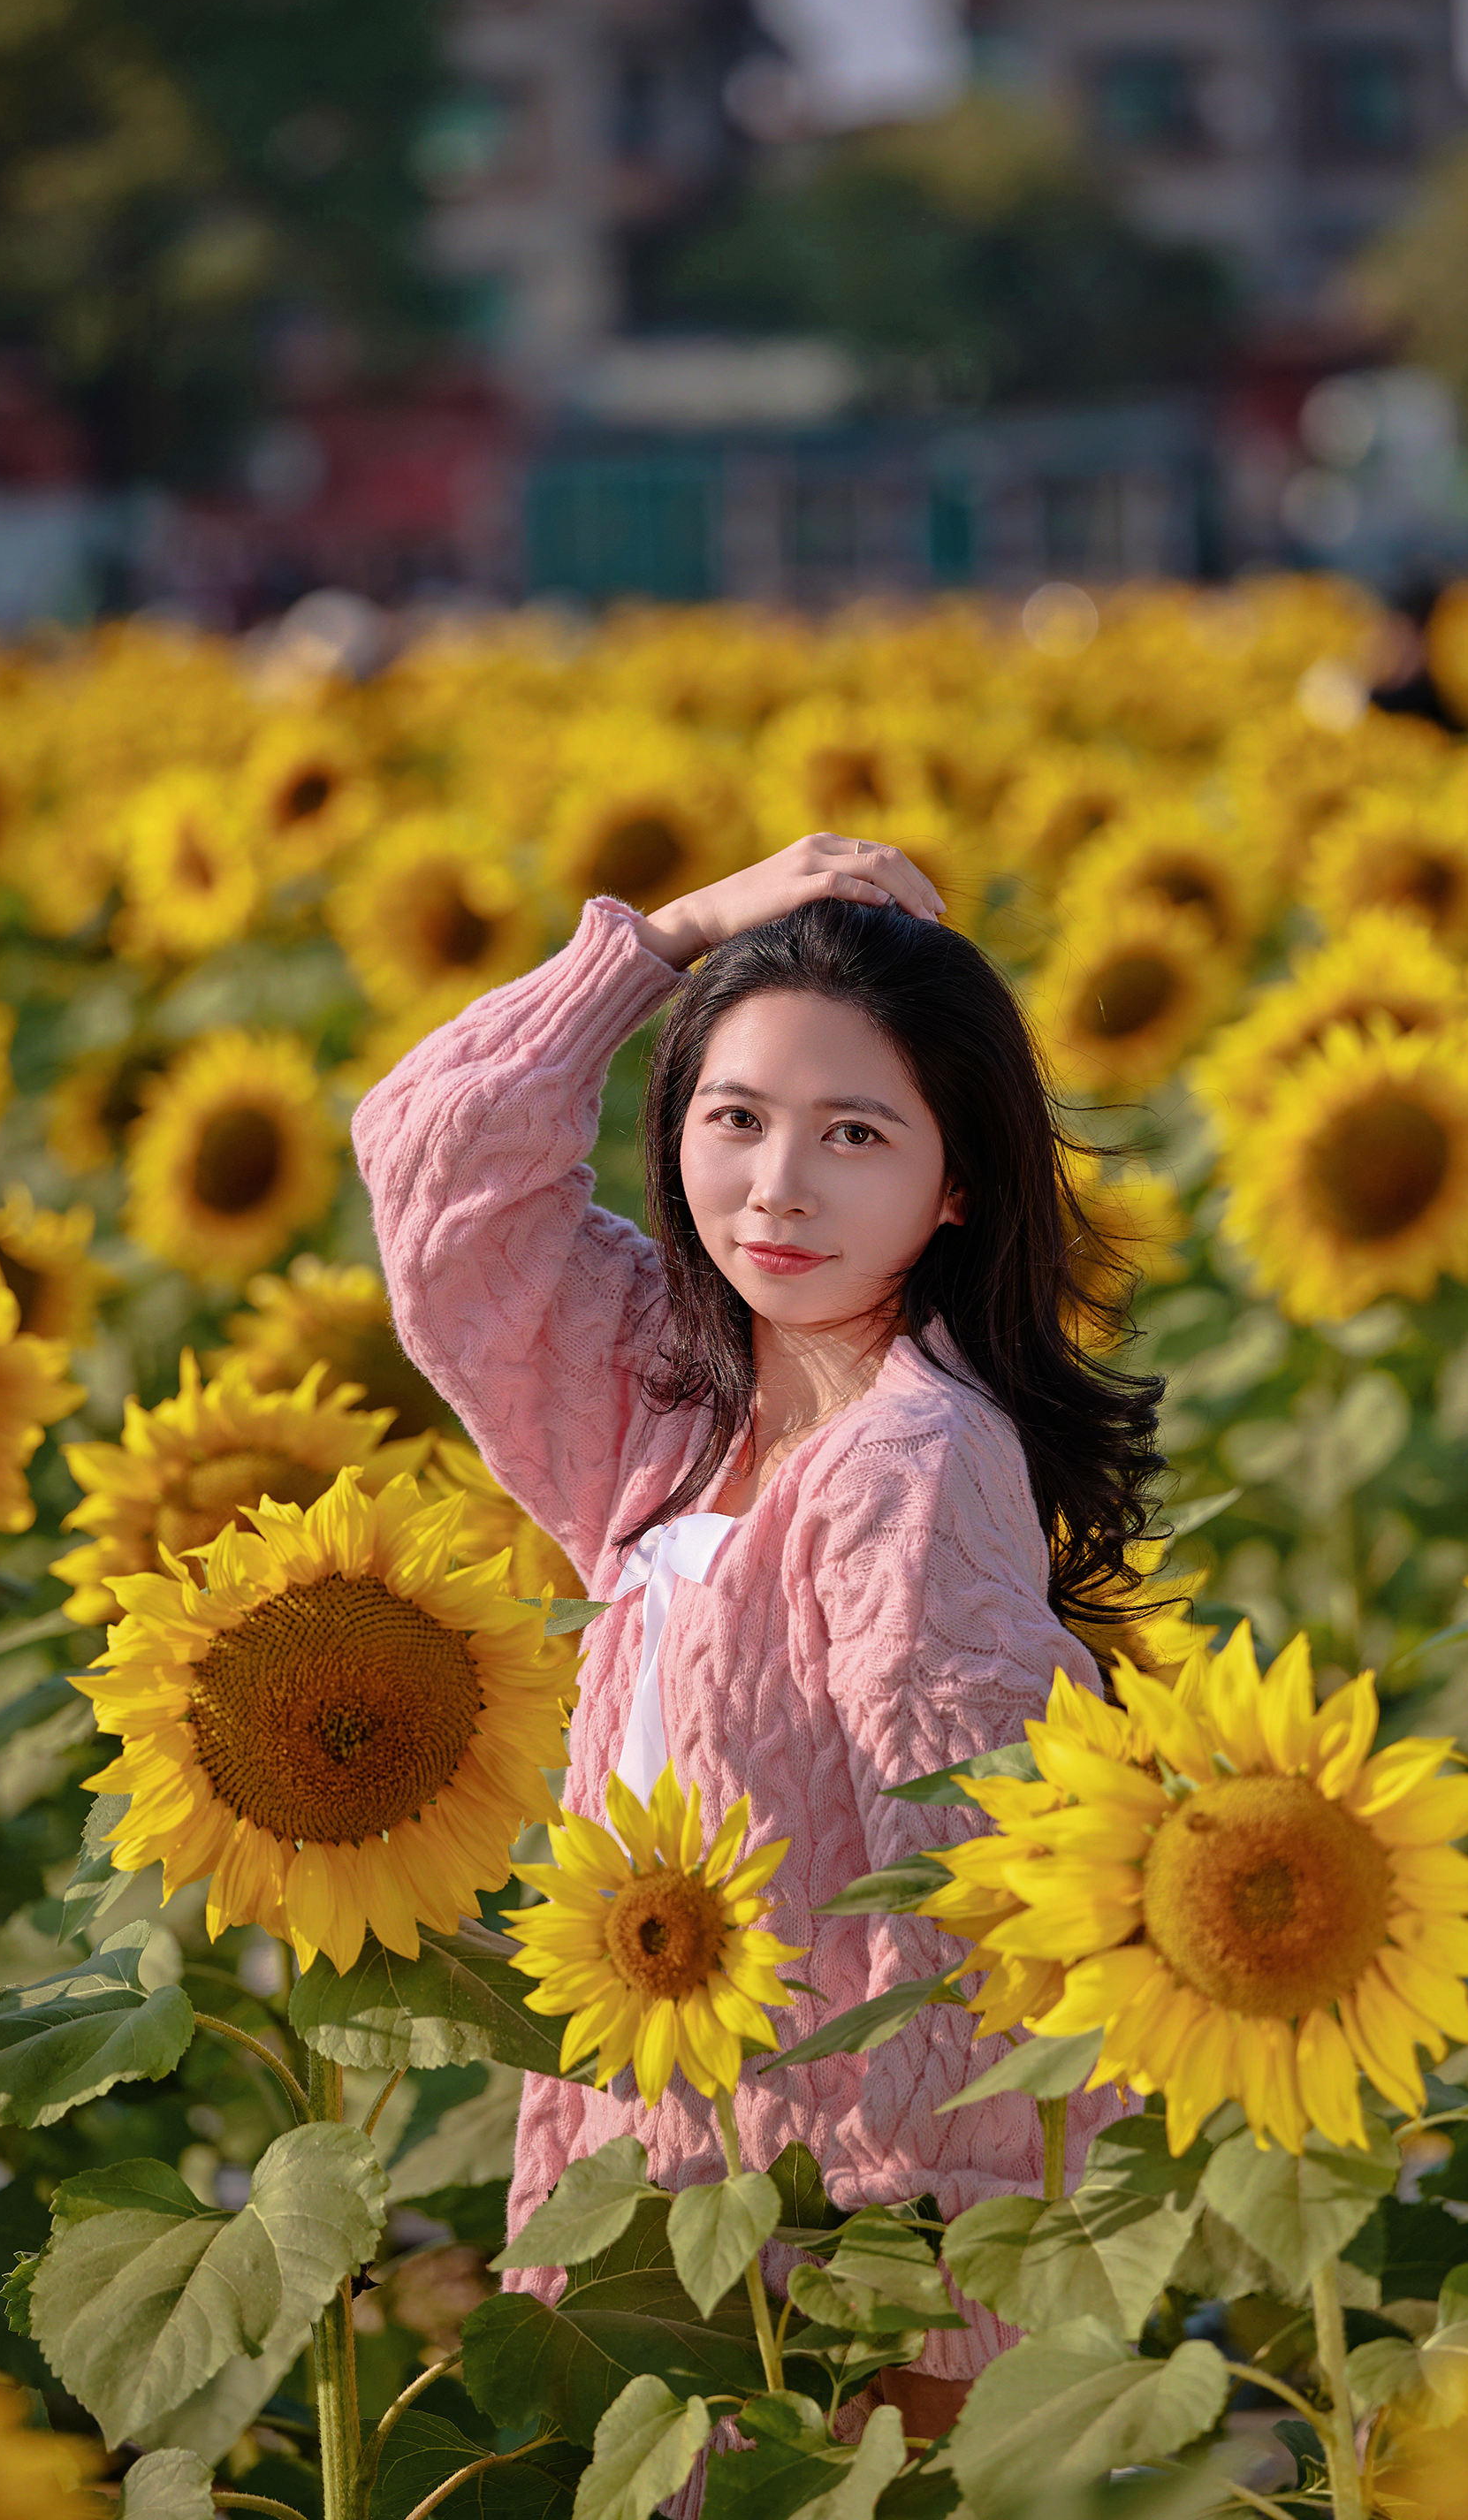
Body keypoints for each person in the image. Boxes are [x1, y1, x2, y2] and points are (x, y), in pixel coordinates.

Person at [353, 833, 1163, 2444]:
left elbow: (967, 1915)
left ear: (957, 1185)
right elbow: (430, 1165)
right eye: (735, 1119)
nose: (777, 1187)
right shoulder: (666, 1394)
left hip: (817, 2264)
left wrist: (925, 2319)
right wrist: (672, 937)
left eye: (853, 1133)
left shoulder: (911, 1462)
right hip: (644, 2174)